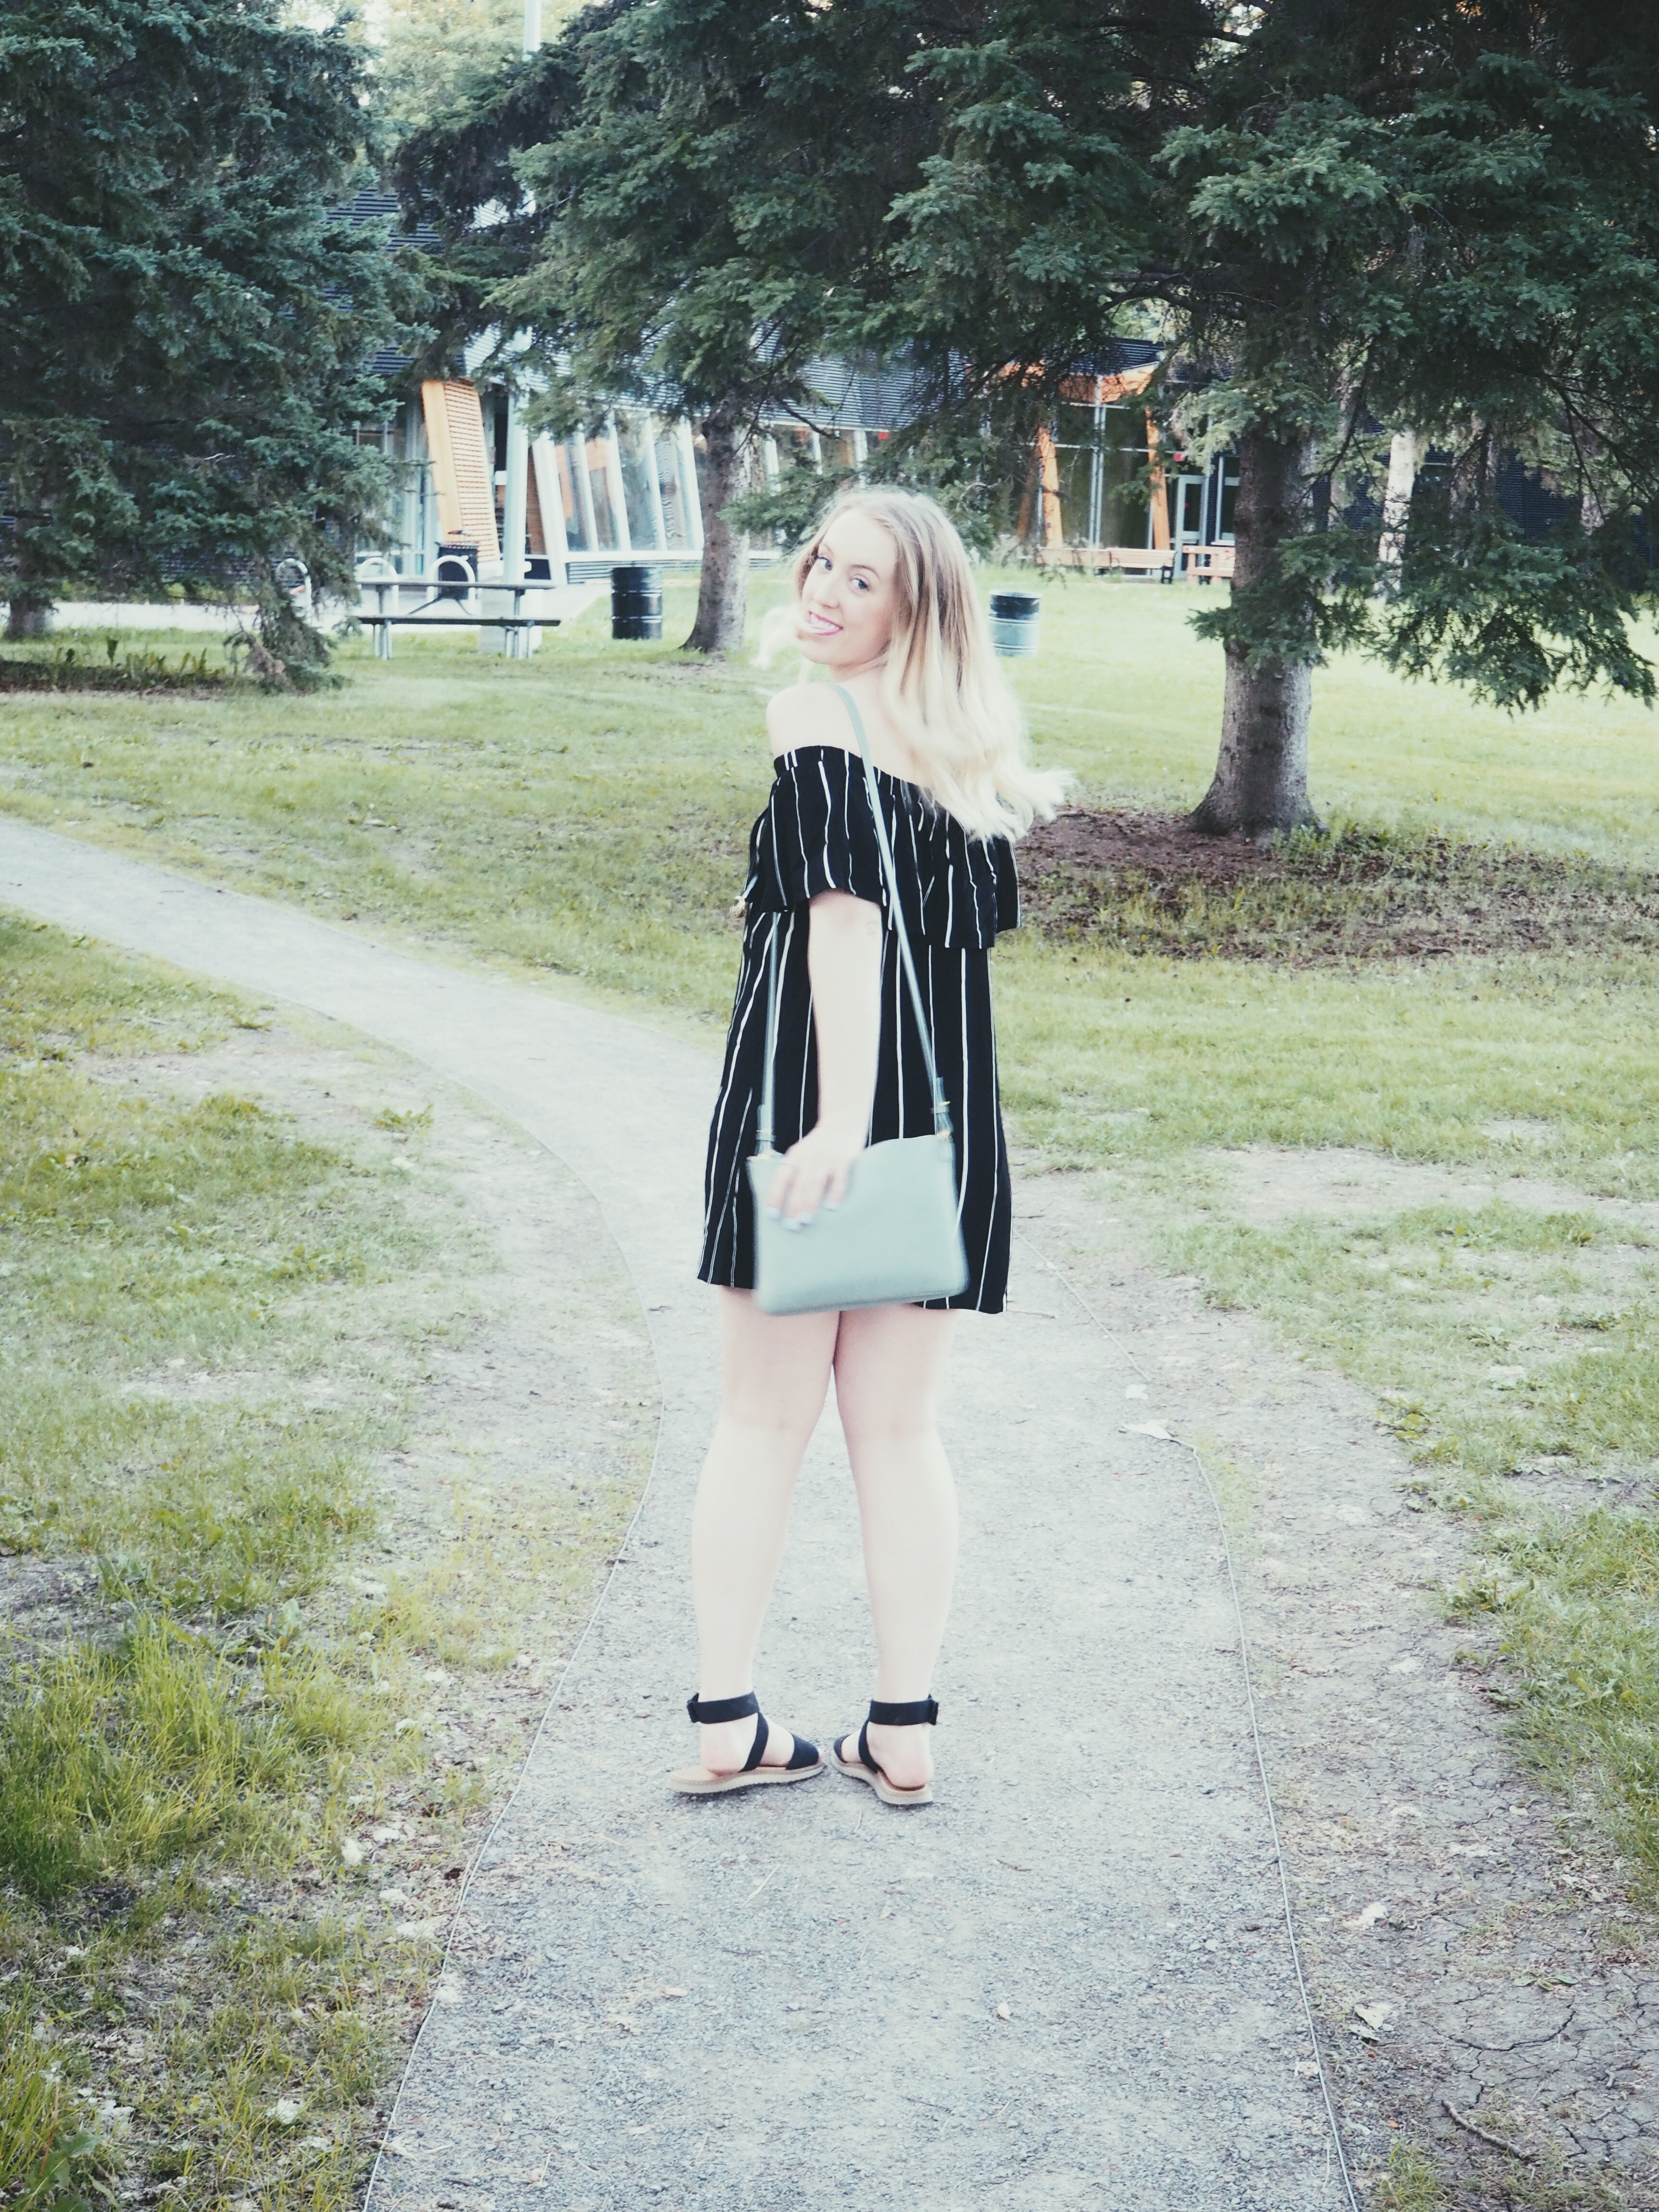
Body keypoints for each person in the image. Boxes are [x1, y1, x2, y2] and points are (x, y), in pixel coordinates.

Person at [672, 489, 1065, 1807]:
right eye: (821, 566)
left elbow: (845, 920)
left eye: (864, 583)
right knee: (898, 1434)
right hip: (946, 1106)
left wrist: (836, 1120)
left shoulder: (816, 714)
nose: (826, 595)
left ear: (917, 609)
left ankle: (726, 1724)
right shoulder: (965, 748)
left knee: (759, 1419)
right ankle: (904, 1729)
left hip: (811, 1099)